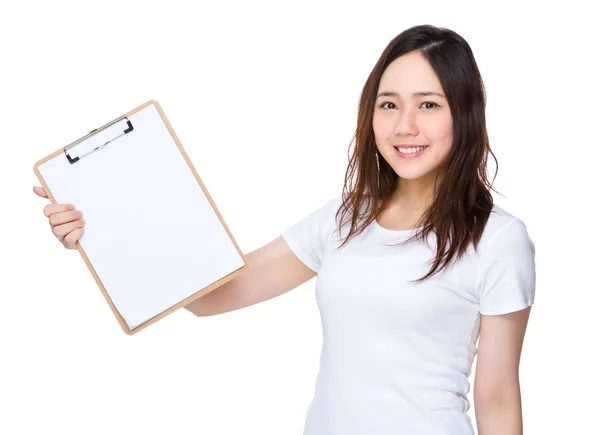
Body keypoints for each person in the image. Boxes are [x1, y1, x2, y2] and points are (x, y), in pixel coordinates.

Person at [34, 24, 535, 435]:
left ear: (464, 115)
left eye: (428, 104)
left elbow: (495, 397)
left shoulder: (497, 240)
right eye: (388, 104)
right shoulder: (344, 220)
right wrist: (102, 225)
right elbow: (210, 295)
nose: (404, 125)